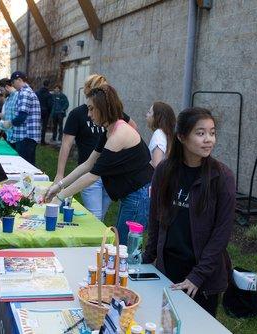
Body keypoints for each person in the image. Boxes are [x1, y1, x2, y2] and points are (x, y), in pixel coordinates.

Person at [143, 107, 236, 317]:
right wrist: (148, 260)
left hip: (203, 277)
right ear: (182, 136)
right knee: (164, 323)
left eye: (212, 133)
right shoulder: (164, 171)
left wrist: (197, 276)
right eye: (200, 133)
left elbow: (221, 233)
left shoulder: (222, 177)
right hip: (167, 268)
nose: (209, 139)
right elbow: (155, 219)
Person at [43, 84, 153, 244]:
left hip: (138, 195)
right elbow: (87, 164)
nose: (88, 114)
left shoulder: (119, 134)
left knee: (124, 247)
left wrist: (60, 197)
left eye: (91, 109)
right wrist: (59, 186)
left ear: (103, 108)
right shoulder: (109, 130)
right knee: (120, 244)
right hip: (133, 194)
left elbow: (92, 176)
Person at [54, 74, 137, 221]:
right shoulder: (80, 116)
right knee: (96, 216)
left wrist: (60, 194)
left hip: (111, 176)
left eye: (92, 109)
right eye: (89, 109)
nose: (89, 114)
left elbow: (132, 129)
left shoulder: (116, 126)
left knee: (100, 218)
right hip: (91, 171)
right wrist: (60, 178)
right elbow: (75, 152)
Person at [2, 71, 41, 166]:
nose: (12, 85)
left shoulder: (24, 93)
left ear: (19, 80)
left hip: (26, 137)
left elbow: (22, 116)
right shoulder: (26, 92)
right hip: (27, 137)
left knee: (25, 167)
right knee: (28, 166)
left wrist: (10, 123)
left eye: (13, 82)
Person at [146, 101, 176, 168]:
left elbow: (157, 164)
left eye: (149, 112)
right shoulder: (168, 134)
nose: (147, 115)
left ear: (157, 117)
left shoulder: (158, 134)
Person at [0, 78, 18, 145]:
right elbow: (6, 116)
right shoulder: (8, 99)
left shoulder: (18, 96)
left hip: (17, 136)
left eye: (1, 90)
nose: (1, 92)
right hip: (9, 135)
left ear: (6, 87)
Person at [35, 79, 53, 145]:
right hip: (45, 112)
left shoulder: (37, 93)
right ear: (48, 85)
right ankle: (42, 140)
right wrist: (50, 112)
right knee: (44, 126)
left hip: (37, 110)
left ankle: (35, 140)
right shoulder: (49, 94)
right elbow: (50, 104)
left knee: (37, 125)